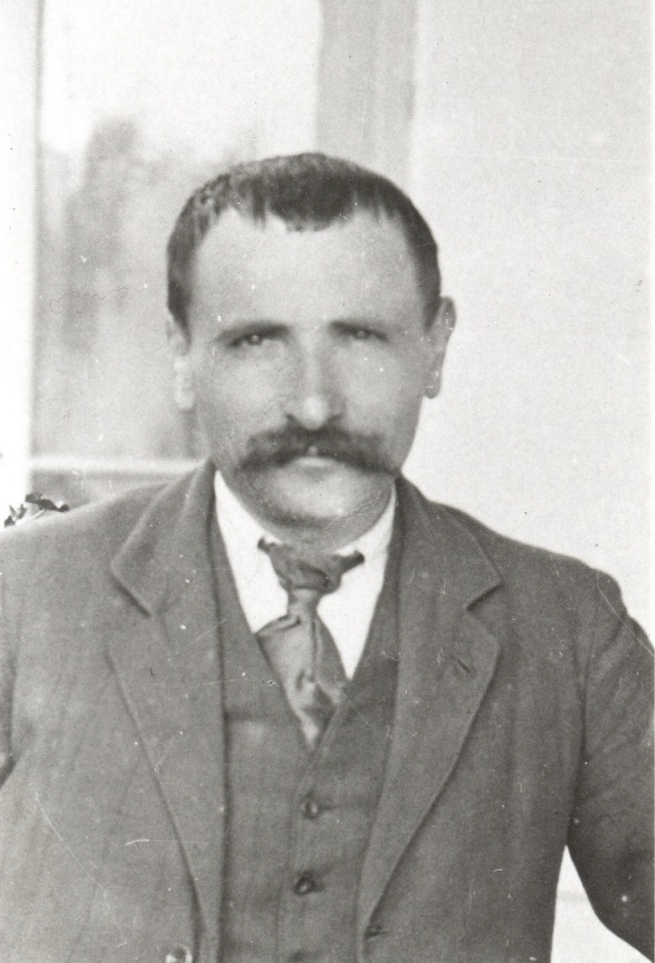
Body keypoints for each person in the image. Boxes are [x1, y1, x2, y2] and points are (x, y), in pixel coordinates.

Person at [0, 153, 651, 963]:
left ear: (435, 346)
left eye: (361, 336)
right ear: (180, 354)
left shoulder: (569, 628)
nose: (312, 403)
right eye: (255, 339)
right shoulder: (21, 597)